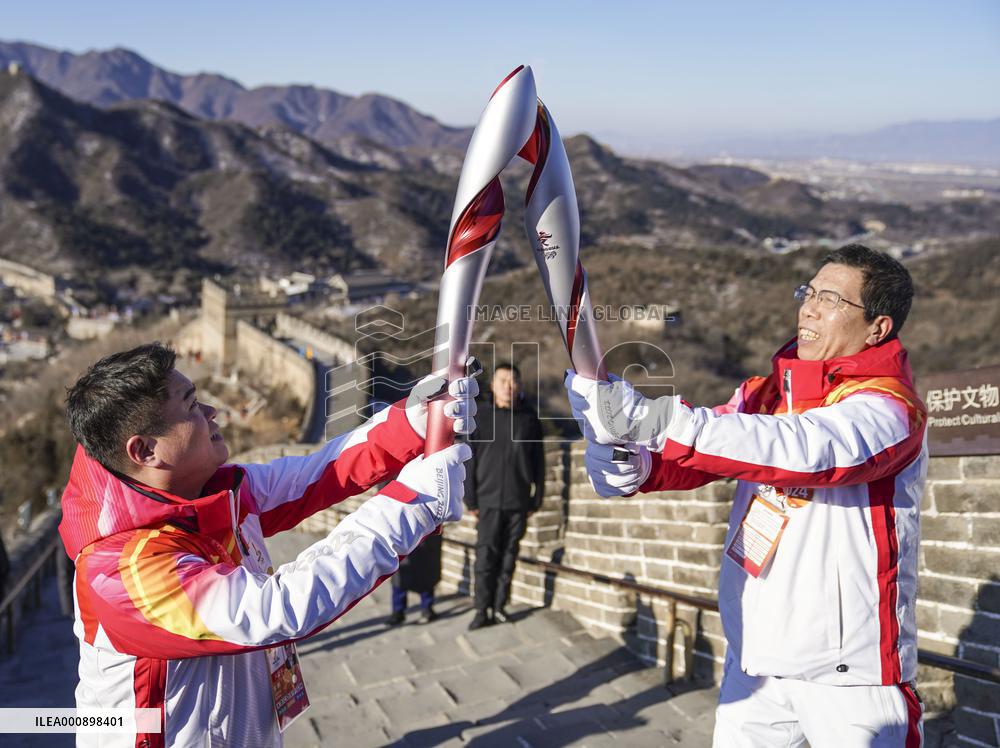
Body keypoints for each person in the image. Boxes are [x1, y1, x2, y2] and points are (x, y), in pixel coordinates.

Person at [566, 244, 926, 747]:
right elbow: (701, 450)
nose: (809, 307)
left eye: (831, 299)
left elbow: (802, 449)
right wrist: (630, 463)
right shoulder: (767, 395)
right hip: (754, 666)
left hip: (851, 678)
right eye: (809, 291)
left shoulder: (889, 409)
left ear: (877, 328)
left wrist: (649, 419)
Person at [59, 343, 477, 747]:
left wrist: (410, 423)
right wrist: (413, 504)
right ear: (145, 450)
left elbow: (311, 478)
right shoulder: (119, 572)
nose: (212, 412)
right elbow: (274, 610)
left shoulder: (207, 494)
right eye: (191, 406)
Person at [464, 363, 545, 630]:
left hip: (518, 499)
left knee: (509, 556)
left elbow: (538, 462)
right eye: (502, 380)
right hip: (487, 500)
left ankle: (499, 606)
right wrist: (471, 499)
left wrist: (537, 498)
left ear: (519, 385)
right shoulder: (481, 416)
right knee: (485, 558)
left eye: (513, 381)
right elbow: (470, 459)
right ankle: (481, 609)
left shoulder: (529, 419)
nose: (508, 386)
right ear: (492, 385)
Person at [387, 532, 442, 625]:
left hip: (427, 534)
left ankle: (427, 609)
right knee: (400, 575)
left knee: (426, 571)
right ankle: (398, 611)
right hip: (402, 535)